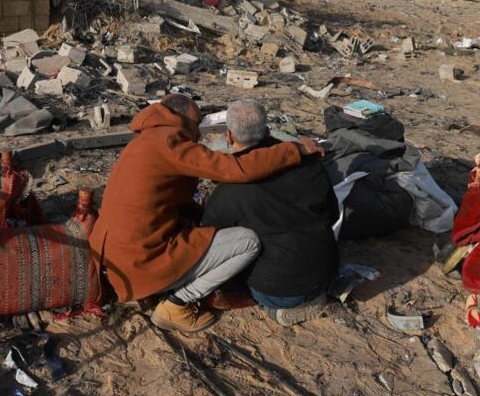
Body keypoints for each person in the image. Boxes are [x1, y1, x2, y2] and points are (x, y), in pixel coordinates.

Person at [90, 94, 325, 333]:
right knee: (247, 242)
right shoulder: (170, 142)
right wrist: (294, 148)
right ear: (181, 119)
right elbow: (235, 169)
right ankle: (177, 304)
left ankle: (158, 287)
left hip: (111, 254)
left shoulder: (145, 140)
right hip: (138, 261)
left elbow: (178, 200)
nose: (199, 133)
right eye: (197, 124)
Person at [202, 99, 339, 326]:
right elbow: (333, 214)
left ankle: (280, 310)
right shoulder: (309, 162)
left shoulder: (230, 189)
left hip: (280, 291)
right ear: (267, 131)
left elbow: (211, 241)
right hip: (327, 269)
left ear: (229, 136)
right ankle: (313, 294)